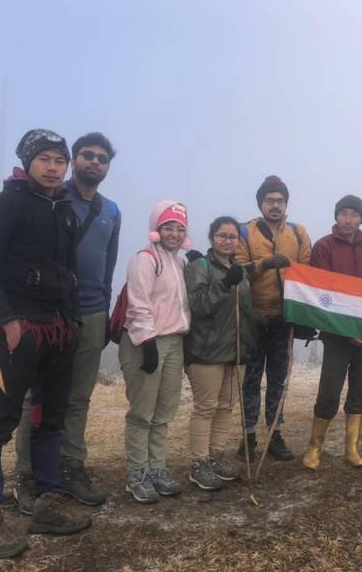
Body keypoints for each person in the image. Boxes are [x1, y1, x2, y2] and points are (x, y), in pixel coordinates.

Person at [0, 129, 91, 558]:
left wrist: (72, 321)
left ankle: (48, 502)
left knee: (49, 418)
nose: (54, 167)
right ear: (28, 162)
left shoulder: (66, 212)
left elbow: (69, 270)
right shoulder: (7, 204)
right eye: (46, 159)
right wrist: (5, 320)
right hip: (18, 334)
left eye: (61, 160)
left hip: (58, 332)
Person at [14, 132, 120, 513]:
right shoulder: (53, 198)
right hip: (51, 312)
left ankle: (71, 465)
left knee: (79, 397)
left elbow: (108, 267)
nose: (95, 162)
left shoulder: (111, 211)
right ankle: (27, 473)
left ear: (108, 166)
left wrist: (105, 312)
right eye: (87, 156)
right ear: (74, 160)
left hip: (91, 313)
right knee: (37, 396)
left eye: (102, 158)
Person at [303, 195, 362, 469]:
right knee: (329, 389)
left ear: (361, 218)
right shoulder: (324, 246)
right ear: (336, 217)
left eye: (354, 214)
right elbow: (323, 288)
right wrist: (345, 328)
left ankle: (351, 449)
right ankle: (314, 448)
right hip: (336, 332)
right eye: (343, 214)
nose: (348, 219)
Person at [235, 175, 312, 462]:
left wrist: (305, 316)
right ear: (261, 203)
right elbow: (238, 269)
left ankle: (275, 434)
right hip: (253, 316)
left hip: (285, 317)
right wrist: (265, 264)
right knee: (251, 380)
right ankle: (248, 436)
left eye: (280, 200)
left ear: (286, 203)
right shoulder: (245, 231)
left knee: (279, 379)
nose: (275, 205)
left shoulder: (299, 233)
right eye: (270, 200)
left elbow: (307, 271)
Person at [120, 201, 191, 504]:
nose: (174, 233)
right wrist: (146, 342)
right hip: (145, 342)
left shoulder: (180, 263)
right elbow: (138, 302)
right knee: (142, 412)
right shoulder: (145, 260)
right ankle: (138, 473)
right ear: (156, 229)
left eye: (179, 228)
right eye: (168, 227)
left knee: (164, 411)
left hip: (175, 342)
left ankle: (158, 468)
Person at [184, 217, 256, 490]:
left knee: (227, 406)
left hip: (235, 349)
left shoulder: (239, 269)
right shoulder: (200, 266)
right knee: (205, 407)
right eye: (222, 235)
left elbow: (244, 309)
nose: (228, 240)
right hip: (206, 350)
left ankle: (216, 455)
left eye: (233, 236)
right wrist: (225, 284)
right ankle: (198, 462)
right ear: (212, 238)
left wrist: (251, 338)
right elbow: (199, 305)